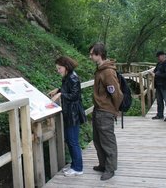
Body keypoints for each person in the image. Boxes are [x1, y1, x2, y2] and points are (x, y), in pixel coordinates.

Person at [88, 43, 123, 181]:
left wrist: (114, 109)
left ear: (99, 54)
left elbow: (117, 94)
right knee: (97, 140)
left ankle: (110, 168)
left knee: (108, 141)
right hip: (98, 110)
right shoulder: (100, 69)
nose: (90, 56)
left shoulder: (107, 72)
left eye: (92, 54)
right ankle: (103, 164)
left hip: (105, 111)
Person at [48, 56, 87, 177]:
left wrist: (60, 94)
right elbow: (68, 90)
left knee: (73, 141)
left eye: (59, 68)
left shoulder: (73, 78)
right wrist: (58, 90)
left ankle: (78, 168)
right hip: (70, 113)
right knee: (70, 141)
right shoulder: (68, 77)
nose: (58, 70)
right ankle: (74, 166)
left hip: (73, 114)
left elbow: (75, 96)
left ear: (66, 67)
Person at [151, 50, 166, 121]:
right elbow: (155, 71)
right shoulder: (159, 63)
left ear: (164, 55)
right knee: (159, 101)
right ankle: (159, 115)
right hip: (158, 85)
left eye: (159, 56)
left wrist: (156, 74)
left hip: (165, 85)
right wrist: (153, 73)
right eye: (158, 56)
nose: (158, 58)